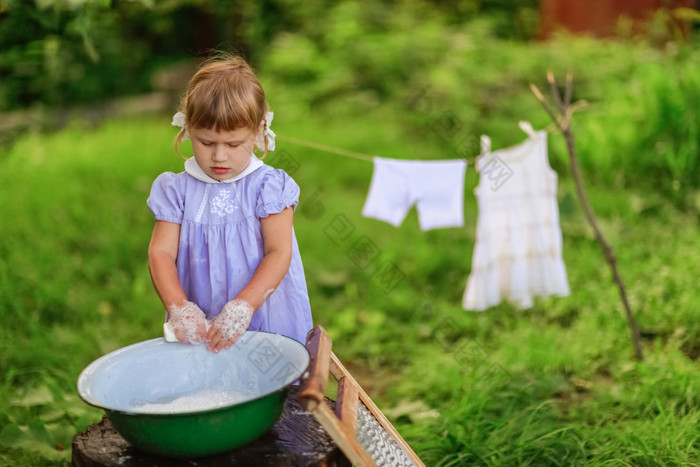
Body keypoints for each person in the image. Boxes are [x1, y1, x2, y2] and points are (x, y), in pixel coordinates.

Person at [147, 54, 313, 353]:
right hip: (203, 321)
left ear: (258, 131)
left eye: (234, 144)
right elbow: (160, 252)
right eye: (206, 143)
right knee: (213, 387)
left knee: (273, 384)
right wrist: (178, 306)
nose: (219, 156)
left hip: (264, 312)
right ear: (187, 130)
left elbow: (279, 252)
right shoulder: (177, 191)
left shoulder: (267, 187)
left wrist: (244, 306)